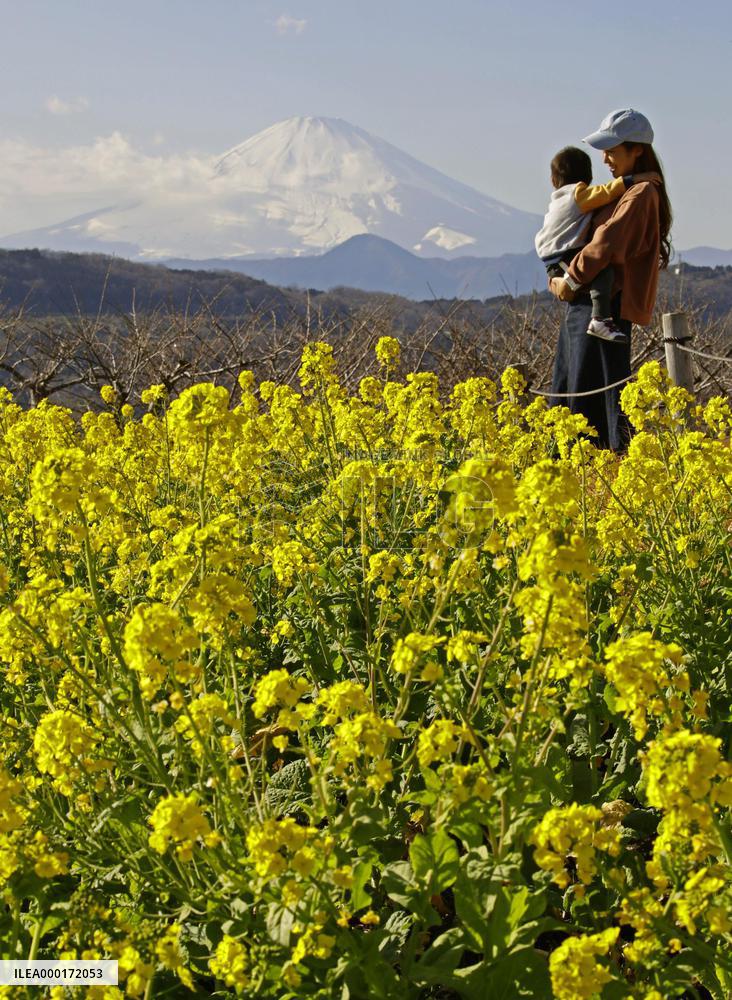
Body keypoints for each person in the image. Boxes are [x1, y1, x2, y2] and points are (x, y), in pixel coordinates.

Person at [547, 108, 672, 452]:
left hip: (602, 310)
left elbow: (605, 244)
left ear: (637, 150)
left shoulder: (642, 193)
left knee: (593, 402)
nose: (604, 159)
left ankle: (599, 483)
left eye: (612, 151)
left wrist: (568, 281)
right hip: (583, 305)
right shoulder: (625, 190)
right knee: (572, 393)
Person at [535, 145, 661, 343]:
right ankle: (600, 318)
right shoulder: (577, 195)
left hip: (558, 265)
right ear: (587, 180)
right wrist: (573, 280)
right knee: (604, 272)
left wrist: (561, 281)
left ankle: (599, 318)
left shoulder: (559, 200)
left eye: (610, 151)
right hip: (575, 283)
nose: (604, 159)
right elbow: (604, 241)